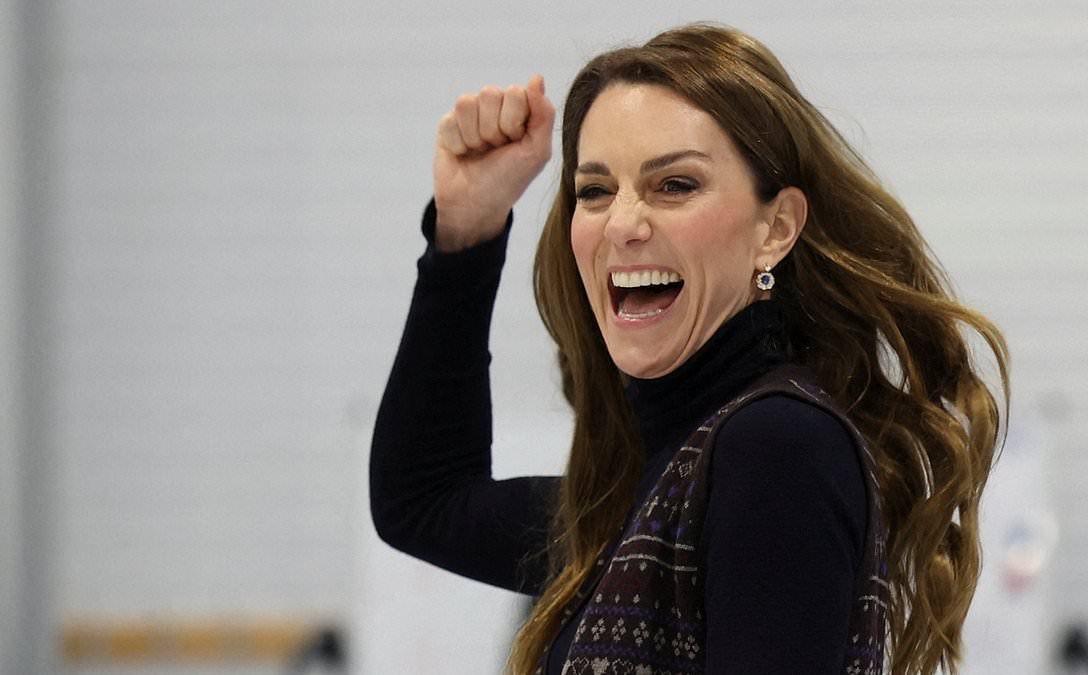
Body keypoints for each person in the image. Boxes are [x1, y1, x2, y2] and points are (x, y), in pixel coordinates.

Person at [370, 22, 1009, 675]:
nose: (622, 223)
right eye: (594, 190)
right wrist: (468, 225)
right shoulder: (644, 492)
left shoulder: (777, 447)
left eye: (674, 184)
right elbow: (423, 501)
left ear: (776, 228)